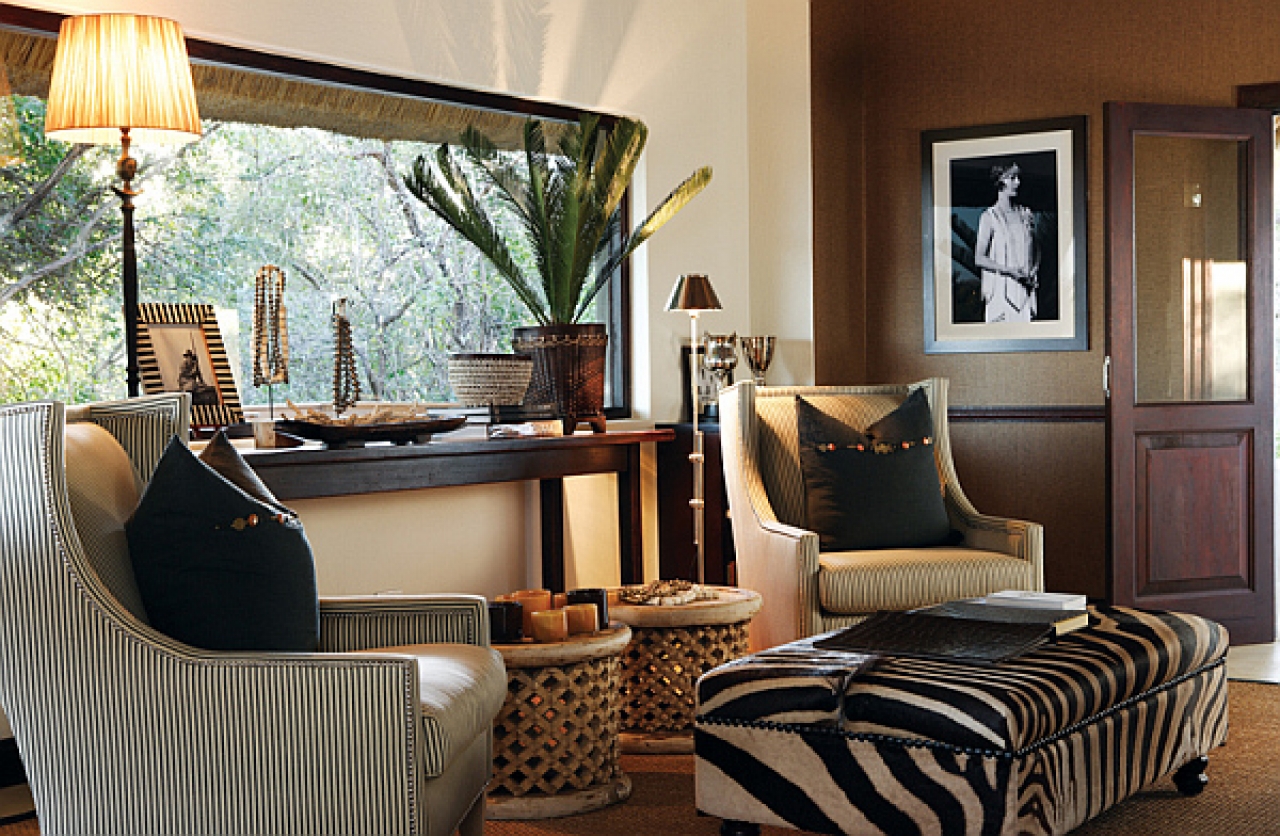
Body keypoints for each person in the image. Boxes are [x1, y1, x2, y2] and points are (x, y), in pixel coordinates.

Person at [973, 162, 1038, 323]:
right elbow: (979, 258)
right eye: (1012, 178)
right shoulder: (989, 217)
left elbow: (1036, 249)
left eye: (1018, 178)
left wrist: (1033, 270)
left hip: (1024, 295)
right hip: (1000, 296)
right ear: (1000, 180)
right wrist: (1008, 270)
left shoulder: (1025, 214)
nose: (1017, 182)